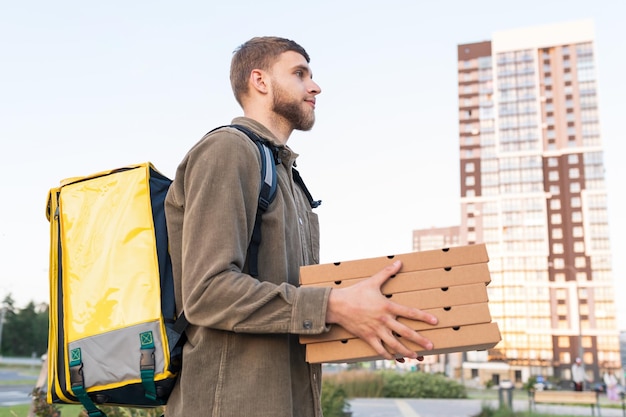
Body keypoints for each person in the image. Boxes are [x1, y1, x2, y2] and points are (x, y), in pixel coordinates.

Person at [163, 36, 439, 417]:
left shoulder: (288, 179)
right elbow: (207, 292)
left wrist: (366, 320)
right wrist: (333, 305)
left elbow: (292, 303)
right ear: (259, 81)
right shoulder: (228, 150)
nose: (315, 86)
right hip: (229, 404)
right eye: (299, 73)